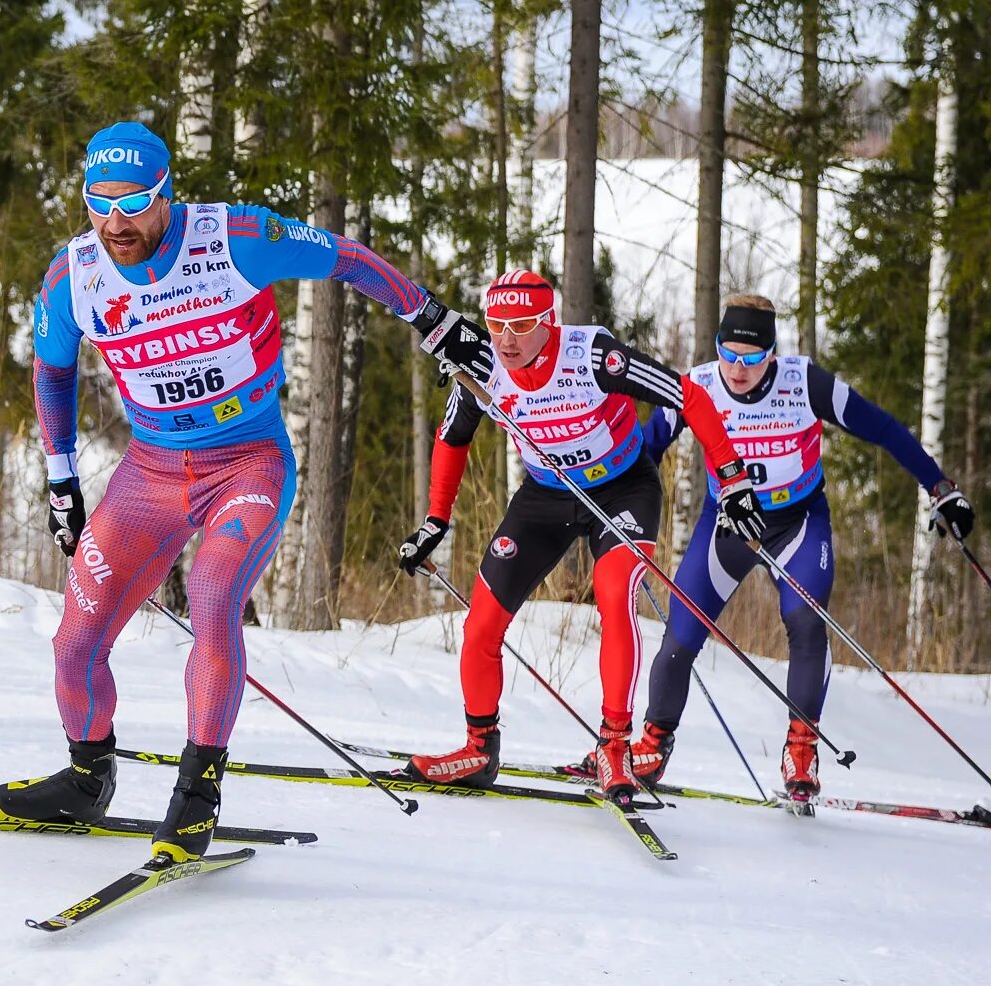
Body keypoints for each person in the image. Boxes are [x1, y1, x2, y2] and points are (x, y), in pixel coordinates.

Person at [0, 121, 487, 862]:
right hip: (152, 469)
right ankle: (88, 777)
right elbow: (53, 371)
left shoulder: (233, 238)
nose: (116, 221)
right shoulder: (76, 276)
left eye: (135, 202)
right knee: (74, 640)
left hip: (247, 462)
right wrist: (61, 480)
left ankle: (196, 795)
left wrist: (431, 315)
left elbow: (344, 258)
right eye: (100, 202)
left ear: (168, 193)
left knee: (216, 592)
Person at [395, 269, 765, 802]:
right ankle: (479, 747)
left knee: (614, 595)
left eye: (521, 325)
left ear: (549, 322)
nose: (506, 339)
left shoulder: (594, 356)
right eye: (496, 324)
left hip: (622, 489)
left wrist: (731, 479)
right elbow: (451, 438)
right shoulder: (481, 368)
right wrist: (435, 520)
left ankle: (615, 747)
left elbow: (690, 397)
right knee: (481, 623)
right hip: (545, 497)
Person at [630, 293, 974, 799]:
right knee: (680, 636)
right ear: (717, 348)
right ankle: (654, 740)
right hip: (726, 523)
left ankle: (801, 746)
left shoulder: (804, 381)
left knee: (806, 621)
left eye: (751, 358)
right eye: (729, 354)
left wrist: (940, 488)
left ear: (772, 353)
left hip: (798, 522)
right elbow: (647, 447)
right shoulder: (698, 384)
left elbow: (882, 428)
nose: (738, 368)